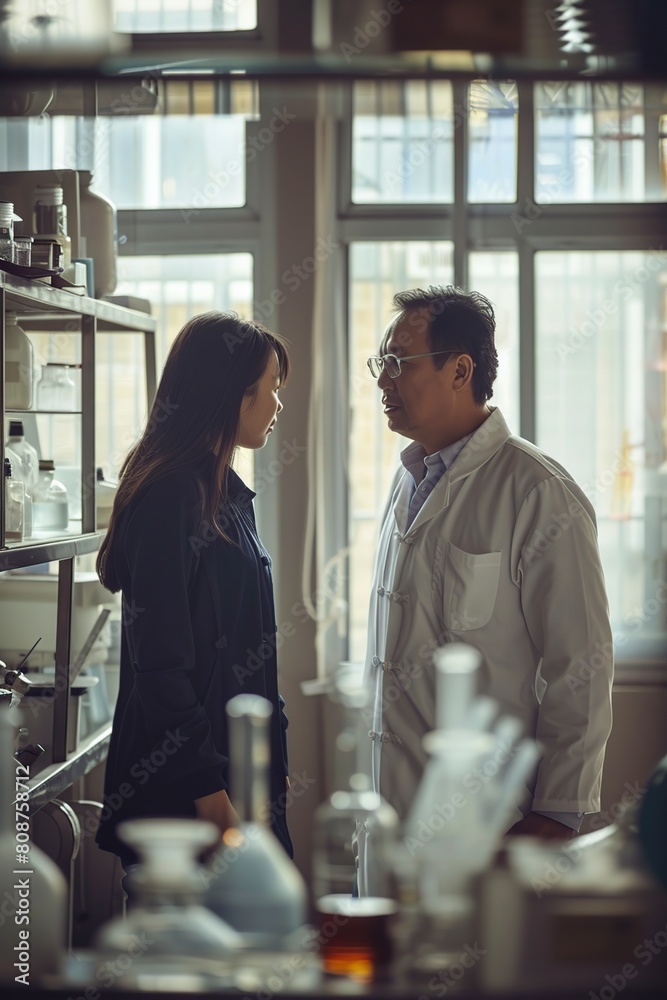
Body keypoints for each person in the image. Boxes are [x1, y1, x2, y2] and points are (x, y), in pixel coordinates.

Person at [363, 285, 613, 840]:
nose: (382, 379)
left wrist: (558, 813)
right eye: (381, 362)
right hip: (387, 822)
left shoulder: (539, 493)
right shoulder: (405, 482)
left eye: (398, 362)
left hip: (487, 825)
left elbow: (582, 666)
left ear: (459, 371)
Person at [95, 311, 293, 868]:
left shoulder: (224, 491)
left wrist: (269, 768)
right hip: (190, 800)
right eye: (271, 390)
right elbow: (162, 670)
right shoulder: (171, 496)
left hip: (236, 785)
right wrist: (213, 801)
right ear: (232, 394)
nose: (278, 405)